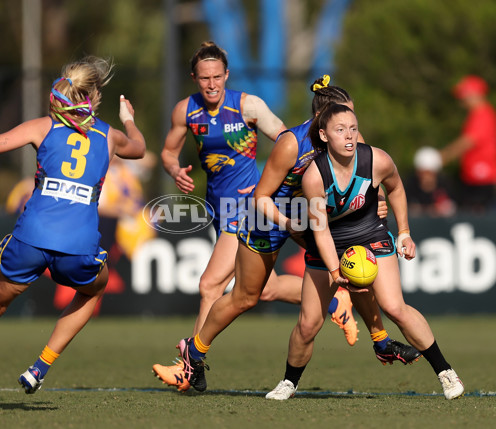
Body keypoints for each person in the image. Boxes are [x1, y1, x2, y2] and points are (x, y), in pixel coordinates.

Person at [171, 77, 420, 393]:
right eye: (341, 120)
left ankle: (381, 341)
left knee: (351, 263)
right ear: (321, 122)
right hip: (268, 218)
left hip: (313, 217)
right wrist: (288, 222)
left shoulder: (348, 136)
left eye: (352, 122)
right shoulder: (292, 143)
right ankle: (194, 350)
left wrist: (380, 199)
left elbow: (368, 172)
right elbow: (262, 195)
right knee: (246, 297)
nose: (350, 129)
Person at [0, 56, 146, 412]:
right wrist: (129, 120)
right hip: (79, 248)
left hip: (31, 240)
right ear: (94, 99)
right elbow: (138, 148)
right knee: (94, 290)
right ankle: (40, 366)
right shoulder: (110, 136)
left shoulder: (43, 127)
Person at [153, 44, 358, 388]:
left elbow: (286, 140)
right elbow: (168, 152)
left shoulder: (248, 105)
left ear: (227, 75)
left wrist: (278, 188)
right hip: (219, 205)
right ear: (194, 78)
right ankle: (335, 301)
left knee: (210, 285)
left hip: (247, 206)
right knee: (262, 290)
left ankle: (189, 366)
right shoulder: (185, 111)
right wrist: (174, 170)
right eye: (204, 78)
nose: (212, 84)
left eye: (218, 76)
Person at [263, 102, 464, 400]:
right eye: (340, 130)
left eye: (353, 129)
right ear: (323, 135)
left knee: (395, 307)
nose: (348, 136)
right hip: (328, 242)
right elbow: (319, 231)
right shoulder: (314, 177)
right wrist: (334, 271)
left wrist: (404, 232)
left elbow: (395, 188)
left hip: (370, 236)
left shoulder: (377, 160)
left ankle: (446, 373)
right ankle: (289, 382)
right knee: (308, 325)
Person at [439, 75, 496, 212]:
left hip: (482, 178)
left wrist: (444, 156)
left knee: (475, 213)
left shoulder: (483, 114)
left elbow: (468, 141)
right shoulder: (476, 115)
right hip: (473, 177)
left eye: (464, 95)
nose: (461, 100)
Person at [405, 146, 456, 217]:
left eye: (429, 173)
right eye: (423, 173)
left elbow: (452, 207)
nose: (426, 177)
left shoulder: (445, 186)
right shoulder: (411, 186)